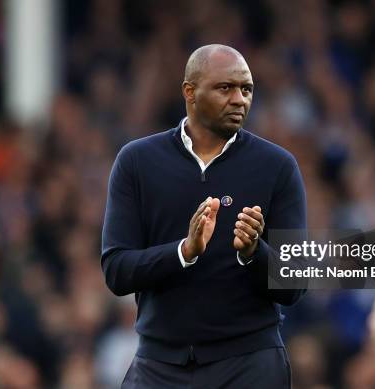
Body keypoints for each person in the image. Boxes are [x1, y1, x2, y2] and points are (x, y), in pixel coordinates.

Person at [101, 44, 307, 388]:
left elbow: (295, 283)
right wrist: (184, 252)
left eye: (247, 89)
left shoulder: (277, 166)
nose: (239, 99)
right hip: (160, 365)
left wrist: (253, 253)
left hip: (249, 364)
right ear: (190, 92)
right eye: (225, 88)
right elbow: (116, 270)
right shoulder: (137, 161)